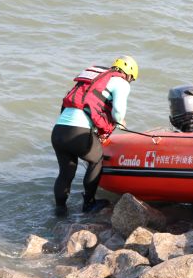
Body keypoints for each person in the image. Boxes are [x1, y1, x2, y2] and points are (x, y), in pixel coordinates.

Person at [52, 55, 138, 216]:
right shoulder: (121, 82)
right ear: (129, 74)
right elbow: (118, 111)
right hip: (78, 131)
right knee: (97, 159)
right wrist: (120, 121)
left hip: (58, 131)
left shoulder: (95, 76)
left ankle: (60, 211)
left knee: (65, 173)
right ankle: (89, 204)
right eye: (131, 79)